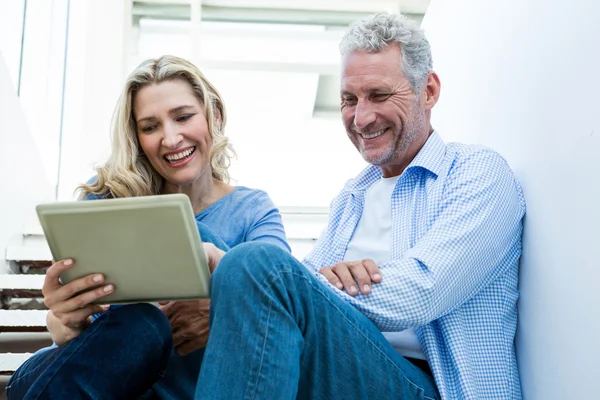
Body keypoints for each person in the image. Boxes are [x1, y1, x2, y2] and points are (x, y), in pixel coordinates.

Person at [190, 13, 525, 399]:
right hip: (347, 367)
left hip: (430, 387)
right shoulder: (353, 196)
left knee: (254, 264)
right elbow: (306, 281)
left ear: (428, 91)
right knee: (199, 238)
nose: (361, 118)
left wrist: (310, 285)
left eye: (379, 95)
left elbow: (420, 293)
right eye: (349, 100)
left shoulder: (477, 172)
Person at [6, 55, 290, 400]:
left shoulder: (253, 211)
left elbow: (279, 306)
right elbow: (69, 334)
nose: (170, 139)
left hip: (188, 385)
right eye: (150, 127)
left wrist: (218, 289)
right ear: (137, 137)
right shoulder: (107, 197)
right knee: (141, 325)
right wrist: (66, 319)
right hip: (92, 378)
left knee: (206, 270)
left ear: (214, 115)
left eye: (183, 117)